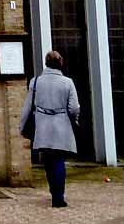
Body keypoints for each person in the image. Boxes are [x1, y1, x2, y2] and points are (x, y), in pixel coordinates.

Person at [20, 49, 80, 208]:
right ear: (60, 63)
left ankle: (53, 191)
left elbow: (28, 106)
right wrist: (74, 120)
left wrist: (22, 125)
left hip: (42, 125)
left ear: (46, 63)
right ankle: (59, 196)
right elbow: (74, 108)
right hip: (61, 124)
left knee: (47, 160)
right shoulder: (68, 82)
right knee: (59, 160)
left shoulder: (36, 81)